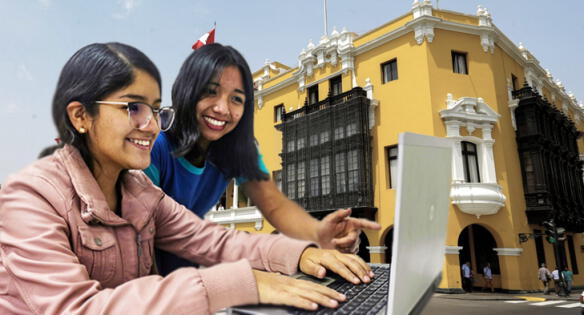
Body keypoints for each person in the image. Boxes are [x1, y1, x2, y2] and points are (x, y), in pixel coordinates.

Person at [0, 42, 375, 314]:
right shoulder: (28, 199)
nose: (149, 125)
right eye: (132, 107)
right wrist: (242, 283)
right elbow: (78, 309)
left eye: (153, 109)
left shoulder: (140, 192)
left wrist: (302, 253)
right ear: (81, 116)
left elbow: (215, 241)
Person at [144, 43, 381, 275]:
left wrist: (319, 232)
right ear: (188, 90)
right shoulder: (155, 145)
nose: (223, 109)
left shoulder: (235, 149)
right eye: (210, 91)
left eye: (236, 99)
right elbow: (153, 231)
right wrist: (290, 257)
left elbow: (275, 204)